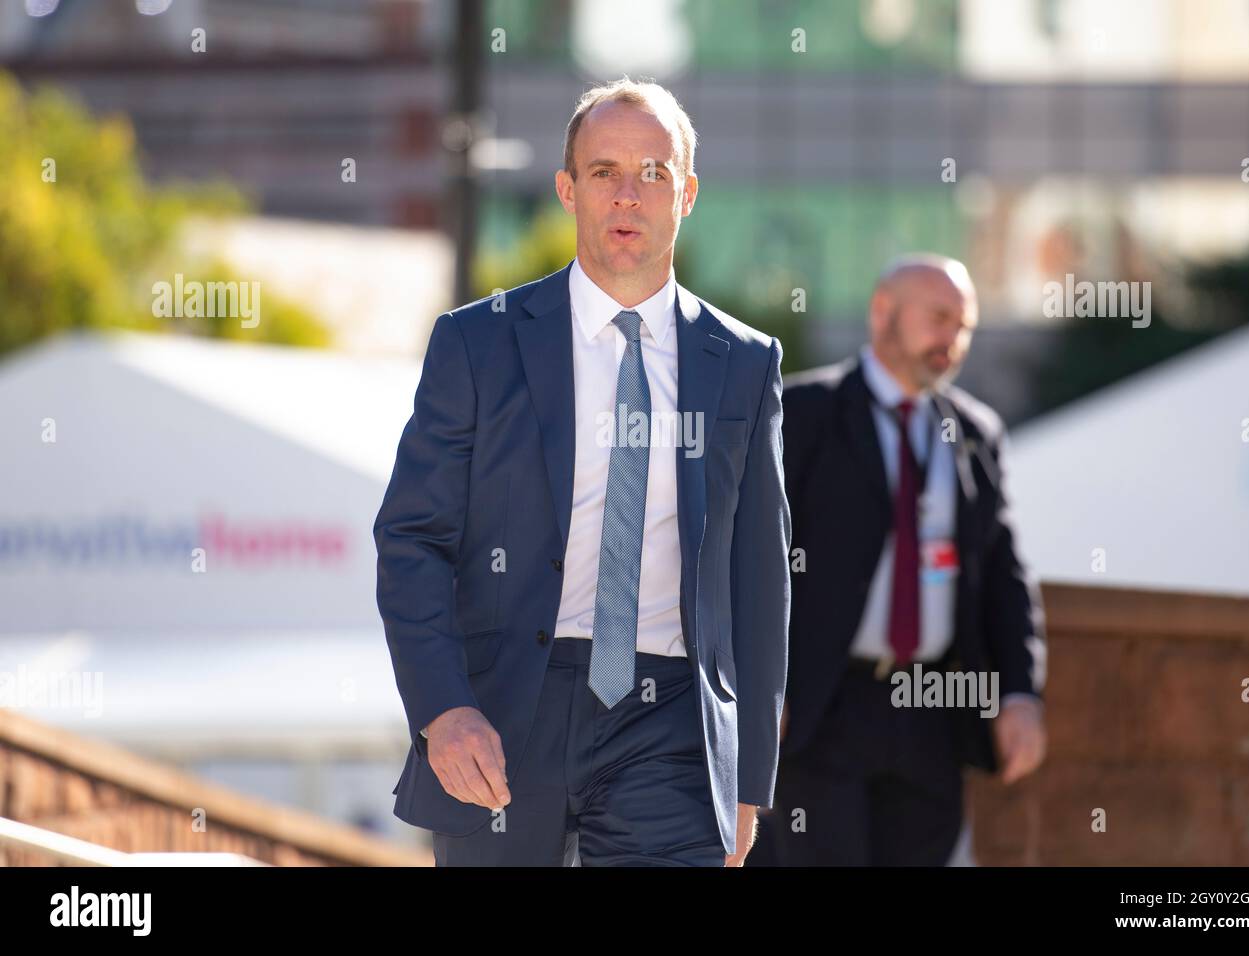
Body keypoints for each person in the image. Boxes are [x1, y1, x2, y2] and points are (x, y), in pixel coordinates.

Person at [373, 78, 791, 866]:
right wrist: (442, 710)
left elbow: (759, 578)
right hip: (503, 714)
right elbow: (412, 539)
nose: (628, 196)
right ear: (567, 189)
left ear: (688, 194)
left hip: (668, 719)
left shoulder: (742, 362)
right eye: (604, 173)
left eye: (653, 174)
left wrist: (748, 776)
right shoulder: (479, 344)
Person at [768, 254, 1046, 866]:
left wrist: (1022, 694)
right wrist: (759, 682)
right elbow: (751, 559)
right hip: (821, 707)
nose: (954, 338)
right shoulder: (802, 412)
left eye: (966, 325)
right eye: (940, 317)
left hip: (932, 712)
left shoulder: (975, 432)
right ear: (882, 312)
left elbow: (1003, 573)